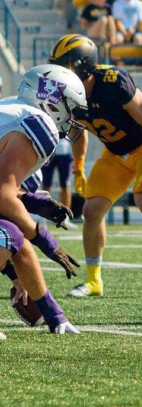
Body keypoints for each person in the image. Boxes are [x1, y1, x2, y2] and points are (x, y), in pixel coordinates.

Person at [48, 34, 142, 297]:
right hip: (115, 154)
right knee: (91, 210)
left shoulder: (113, 82)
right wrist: (78, 166)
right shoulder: (67, 94)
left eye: (64, 65)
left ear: (83, 65)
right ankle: (93, 281)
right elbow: (79, 130)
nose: (59, 72)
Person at [0, 64, 89, 337]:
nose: (71, 118)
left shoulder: (12, 110)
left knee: (11, 235)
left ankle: (56, 318)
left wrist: (54, 315)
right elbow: (4, 195)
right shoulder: (38, 125)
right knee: (11, 234)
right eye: (69, 107)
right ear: (52, 101)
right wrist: (45, 239)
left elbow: (8, 198)